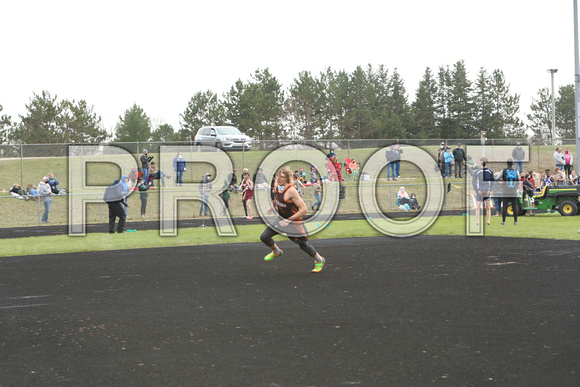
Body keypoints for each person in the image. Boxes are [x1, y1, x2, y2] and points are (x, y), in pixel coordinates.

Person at [260, 166, 326, 273]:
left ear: (287, 179)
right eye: (277, 176)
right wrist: (273, 206)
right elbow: (277, 198)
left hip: (294, 223)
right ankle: (277, 251)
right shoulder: (276, 186)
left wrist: (288, 220)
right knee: (264, 237)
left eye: (281, 177)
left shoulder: (291, 191)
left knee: (303, 246)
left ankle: (319, 260)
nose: (278, 179)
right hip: (281, 220)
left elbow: (304, 209)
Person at [472, 157, 494, 226]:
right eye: (482, 161)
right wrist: (477, 190)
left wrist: (490, 190)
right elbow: (474, 182)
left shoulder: (490, 172)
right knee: (478, 206)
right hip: (480, 192)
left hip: (487, 191)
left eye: (484, 161)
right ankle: (478, 222)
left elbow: (493, 182)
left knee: (488, 206)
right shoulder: (477, 172)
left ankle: (488, 222)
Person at [498, 159, 520, 226]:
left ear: (507, 164)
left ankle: (503, 222)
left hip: (505, 191)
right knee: (514, 206)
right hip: (513, 191)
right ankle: (515, 221)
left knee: (505, 206)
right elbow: (518, 180)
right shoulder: (516, 171)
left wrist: (501, 183)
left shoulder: (503, 171)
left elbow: (497, 179)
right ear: (513, 164)